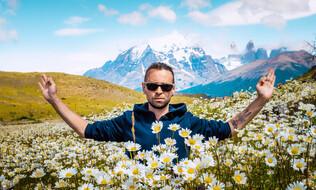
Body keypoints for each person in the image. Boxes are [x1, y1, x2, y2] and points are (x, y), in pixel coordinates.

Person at [38, 62, 276, 160]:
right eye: (153, 86)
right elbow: (86, 129)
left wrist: (261, 100)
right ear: (144, 88)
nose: (159, 91)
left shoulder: (188, 121)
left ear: (173, 90)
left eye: (165, 86)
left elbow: (231, 128)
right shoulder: (128, 120)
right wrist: (54, 100)